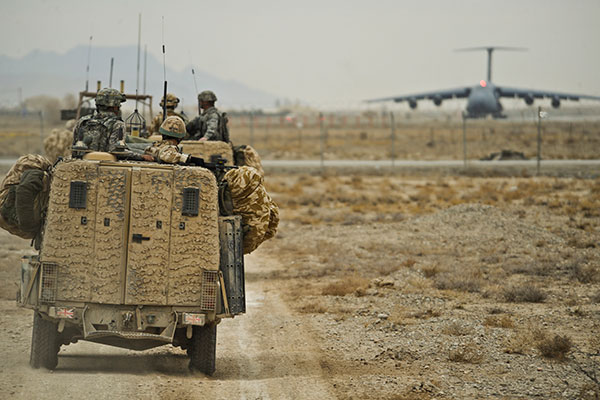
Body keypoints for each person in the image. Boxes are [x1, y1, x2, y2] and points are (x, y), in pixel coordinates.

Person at [72, 88, 153, 161]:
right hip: (105, 165)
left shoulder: (83, 121)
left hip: (82, 163)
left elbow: (75, 147)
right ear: (115, 106)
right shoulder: (118, 124)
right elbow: (116, 150)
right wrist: (141, 156)